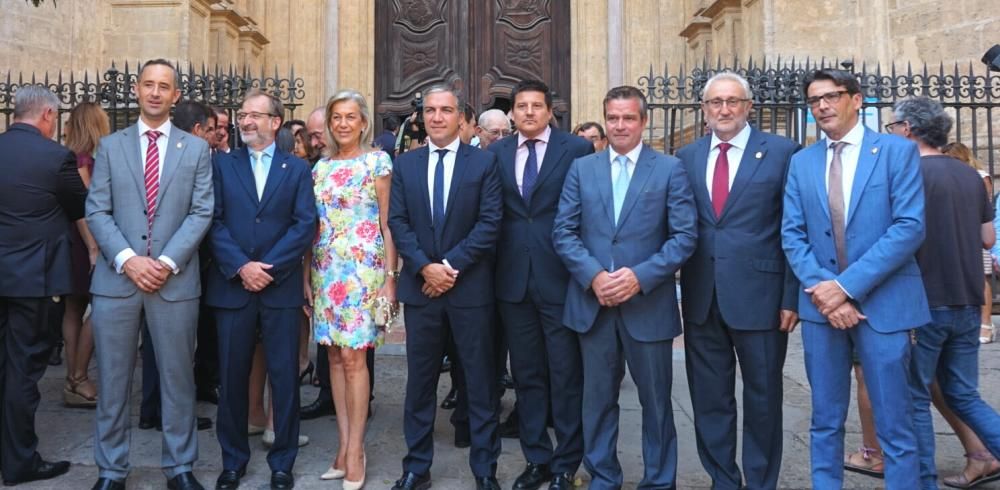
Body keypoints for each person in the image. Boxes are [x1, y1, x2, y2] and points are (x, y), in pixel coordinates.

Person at [781, 68, 929, 489]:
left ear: (857, 99)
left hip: (884, 305)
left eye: (832, 96)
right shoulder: (801, 161)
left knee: (895, 423)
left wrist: (845, 288)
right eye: (814, 100)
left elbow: (908, 227)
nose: (822, 106)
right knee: (824, 420)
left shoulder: (896, 152)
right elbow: (792, 234)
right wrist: (827, 293)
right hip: (820, 310)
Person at [552, 85, 697, 489]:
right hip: (592, 304)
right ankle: (603, 476)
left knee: (656, 404)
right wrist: (594, 276)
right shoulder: (583, 169)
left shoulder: (669, 169)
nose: (619, 125)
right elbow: (563, 232)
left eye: (628, 118)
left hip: (646, 306)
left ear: (643, 121)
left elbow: (684, 237)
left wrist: (639, 277)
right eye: (612, 117)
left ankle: (658, 481)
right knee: (596, 402)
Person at [86, 59, 213, 490]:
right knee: (112, 382)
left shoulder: (195, 149)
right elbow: (96, 209)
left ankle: (179, 467)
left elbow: (202, 211)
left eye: (165, 86)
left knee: (179, 380)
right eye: (148, 85)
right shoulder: (110, 146)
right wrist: (128, 259)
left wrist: (165, 262)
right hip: (117, 280)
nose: (156, 93)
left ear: (176, 96)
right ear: (137, 91)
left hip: (173, 281)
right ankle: (111, 470)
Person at [676, 71, 800, 490]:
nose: (724, 109)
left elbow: (792, 228)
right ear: (704, 109)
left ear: (749, 106)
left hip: (762, 299)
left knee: (764, 399)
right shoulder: (686, 156)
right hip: (701, 298)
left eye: (732, 101)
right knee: (709, 400)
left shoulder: (783, 153)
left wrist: (791, 297)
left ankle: (761, 481)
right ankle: (723, 480)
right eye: (715, 102)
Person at [387, 85, 503, 490]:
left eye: (446, 110)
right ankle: (416, 466)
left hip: (469, 291)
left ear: (461, 118)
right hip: (422, 292)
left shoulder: (483, 164)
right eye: (430, 111)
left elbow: (489, 224)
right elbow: (397, 223)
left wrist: (448, 268)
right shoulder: (405, 165)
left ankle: (485, 469)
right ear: (422, 117)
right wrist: (425, 269)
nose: (437, 117)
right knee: (419, 384)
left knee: (480, 382)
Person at [885, 96, 1000, 490]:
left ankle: (922, 483)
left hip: (925, 299)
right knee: (963, 394)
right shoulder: (969, 175)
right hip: (968, 297)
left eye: (893, 127)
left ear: (909, 130)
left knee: (916, 396)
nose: (892, 134)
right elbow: (988, 239)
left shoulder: (907, 174)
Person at [204, 89, 315, 490]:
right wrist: (241, 266)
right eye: (243, 114)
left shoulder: (297, 169)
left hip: (279, 287)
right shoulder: (221, 164)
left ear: (275, 122)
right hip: (233, 286)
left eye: (255, 115)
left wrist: (268, 267)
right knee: (232, 378)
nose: (246, 121)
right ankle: (232, 461)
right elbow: (212, 220)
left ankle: (282, 462)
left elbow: (304, 224)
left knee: (285, 377)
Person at [488, 79, 594, 490]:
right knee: (527, 373)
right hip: (513, 280)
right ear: (512, 112)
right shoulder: (495, 153)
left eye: (537, 105)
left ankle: (567, 460)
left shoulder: (577, 150)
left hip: (562, 277)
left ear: (551, 111)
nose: (529, 112)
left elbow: (587, 212)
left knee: (566, 372)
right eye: (521, 106)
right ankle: (537, 457)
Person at [308, 89, 397, 489]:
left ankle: (357, 448)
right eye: (336, 117)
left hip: (364, 271)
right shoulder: (320, 168)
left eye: (350, 116)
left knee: (354, 359)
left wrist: (390, 279)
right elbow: (315, 227)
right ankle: (342, 448)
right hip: (327, 270)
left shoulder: (377, 161)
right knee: (332, 360)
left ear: (363, 122)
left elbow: (387, 221)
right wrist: (307, 278)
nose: (343, 123)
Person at [0, 85, 84, 486]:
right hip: (34, 280)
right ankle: (18, 461)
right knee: (22, 371)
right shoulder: (56, 157)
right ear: (49, 115)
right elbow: (79, 206)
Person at [138, 99, 216, 432]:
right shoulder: (191, 157)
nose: (215, 137)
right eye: (211, 130)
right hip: (174, 264)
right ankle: (167, 412)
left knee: (156, 343)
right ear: (197, 130)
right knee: (175, 349)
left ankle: (152, 408)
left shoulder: (161, 154)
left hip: (151, 262)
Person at [61, 101, 110, 408]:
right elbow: (86, 209)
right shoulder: (80, 160)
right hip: (85, 242)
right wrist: (94, 248)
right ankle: (77, 377)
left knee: (75, 309)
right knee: (98, 306)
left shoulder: (76, 157)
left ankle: (73, 377)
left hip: (76, 242)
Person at [943, 141, 996, 344]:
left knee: (981, 278)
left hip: (976, 230)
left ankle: (986, 323)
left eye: (953, 159)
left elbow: (984, 208)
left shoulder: (980, 177)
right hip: (959, 231)